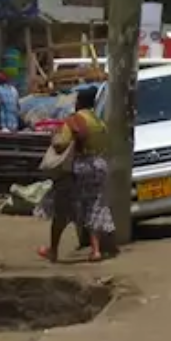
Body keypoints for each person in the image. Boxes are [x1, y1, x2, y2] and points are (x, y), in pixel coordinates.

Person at [37, 87, 114, 263]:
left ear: (78, 102)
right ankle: (95, 251)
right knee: (94, 206)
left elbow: (61, 144)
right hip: (99, 166)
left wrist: (55, 139)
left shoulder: (74, 121)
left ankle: (53, 250)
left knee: (61, 208)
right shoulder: (99, 122)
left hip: (79, 167)